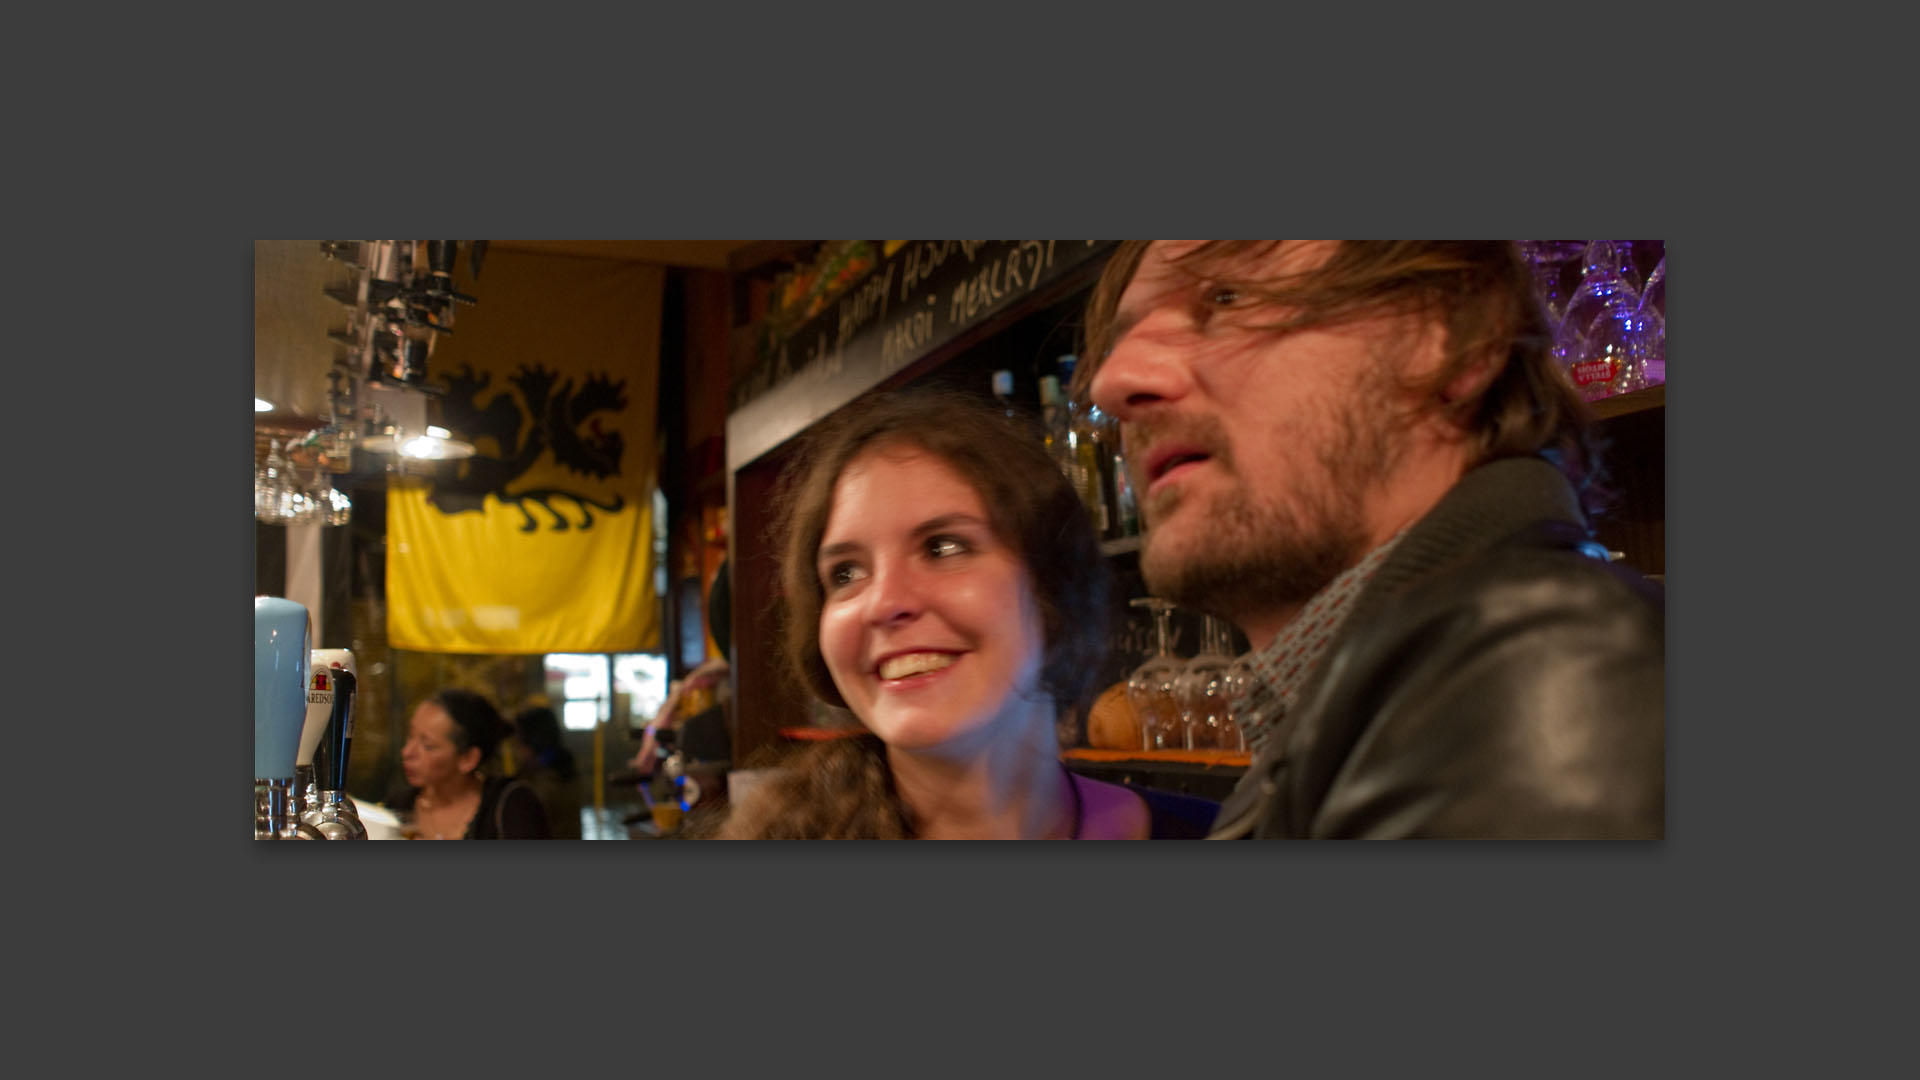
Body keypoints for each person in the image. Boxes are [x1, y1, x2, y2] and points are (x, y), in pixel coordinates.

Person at [1077, 241, 1663, 839]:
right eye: (1121, 343)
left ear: (1459, 343)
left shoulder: (1543, 671)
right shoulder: (1351, 721)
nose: (1113, 382)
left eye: (1227, 299)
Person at [707, 390, 1218, 839]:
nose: (885, 603)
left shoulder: (1227, 836)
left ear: (1053, 586)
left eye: (943, 547)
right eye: (845, 574)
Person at [400, 688, 552, 839]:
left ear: (468, 759)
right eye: (411, 736)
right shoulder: (399, 805)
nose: (407, 752)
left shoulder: (512, 806)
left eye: (428, 746)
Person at [510, 704, 583, 839]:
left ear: (531, 741)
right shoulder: (562, 770)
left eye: (518, 739)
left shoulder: (545, 786)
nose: (514, 746)